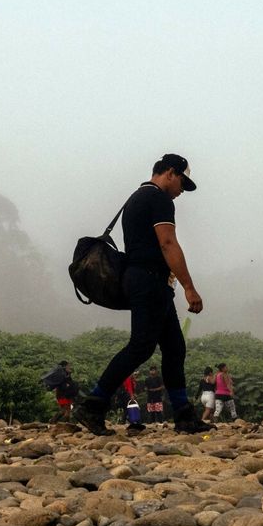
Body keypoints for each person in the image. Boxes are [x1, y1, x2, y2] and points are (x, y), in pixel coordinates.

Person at [74, 154, 208, 436]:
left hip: (144, 279)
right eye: (183, 181)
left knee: (174, 347)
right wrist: (188, 286)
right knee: (141, 346)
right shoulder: (159, 199)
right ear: (171, 172)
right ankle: (94, 404)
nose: (183, 189)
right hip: (148, 280)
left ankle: (184, 414)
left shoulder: (136, 197)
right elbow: (167, 242)